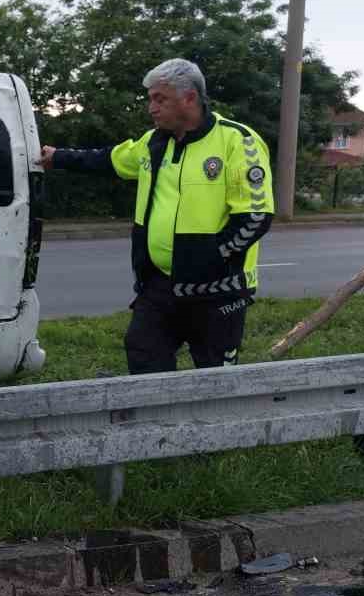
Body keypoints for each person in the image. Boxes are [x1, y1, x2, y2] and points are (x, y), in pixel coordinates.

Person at [39, 58, 274, 374]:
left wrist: (211, 256)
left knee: (216, 377)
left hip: (218, 291)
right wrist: (59, 157)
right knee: (144, 358)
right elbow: (111, 160)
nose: (151, 108)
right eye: (150, 99)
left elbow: (256, 216)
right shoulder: (153, 142)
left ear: (189, 98)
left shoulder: (238, 141)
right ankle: (158, 423)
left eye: (159, 99)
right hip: (159, 286)